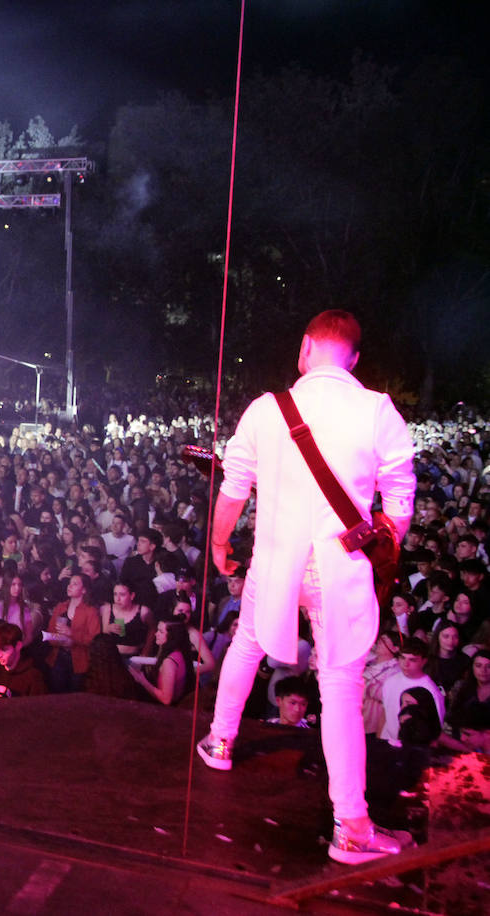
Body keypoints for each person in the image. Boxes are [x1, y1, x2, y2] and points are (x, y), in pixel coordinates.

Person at [197, 311, 417, 865]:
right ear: (355, 359)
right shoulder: (377, 410)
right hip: (340, 566)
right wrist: (385, 543)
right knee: (340, 686)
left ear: (305, 349)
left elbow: (233, 490)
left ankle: (220, 742)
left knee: (247, 639)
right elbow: (399, 496)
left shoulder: (266, 410)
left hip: (274, 562)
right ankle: (351, 828)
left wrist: (220, 546)